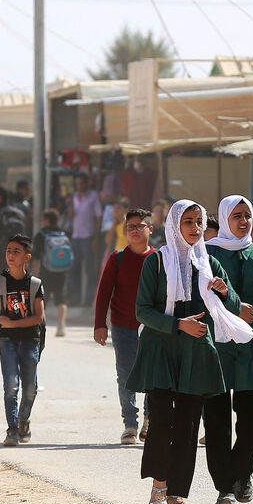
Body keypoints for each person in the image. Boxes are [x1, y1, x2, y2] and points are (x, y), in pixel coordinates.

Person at [127, 201, 253, 504]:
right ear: (174, 225)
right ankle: (160, 484)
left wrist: (225, 292)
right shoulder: (157, 262)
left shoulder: (207, 262)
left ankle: (178, 493)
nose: (195, 229)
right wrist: (177, 324)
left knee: (188, 424)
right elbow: (142, 310)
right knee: (162, 422)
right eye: (188, 222)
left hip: (196, 351)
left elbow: (234, 302)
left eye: (199, 222)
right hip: (163, 348)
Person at [203, 195, 253, 504]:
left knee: (249, 414)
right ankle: (224, 485)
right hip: (217, 345)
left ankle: (243, 474)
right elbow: (204, 297)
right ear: (224, 218)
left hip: (251, 347)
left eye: (247, 215)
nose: (243, 221)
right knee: (216, 416)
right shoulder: (207, 251)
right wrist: (235, 308)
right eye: (237, 216)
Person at [93, 207, 156, 444]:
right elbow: (104, 293)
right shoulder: (117, 258)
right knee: (126, 374)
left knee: (152, 375)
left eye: (141, 225)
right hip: (122, 326)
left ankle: (150, 419)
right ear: (125, 230)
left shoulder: (159, 258)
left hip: (152, 327)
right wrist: (100, 324)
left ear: (151, 228)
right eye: (131, 227)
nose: (135, 230)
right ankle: (130, 424)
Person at [0, 234, 46, 447]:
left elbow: (38, 317)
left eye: (16, 251)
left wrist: (12, 324)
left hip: (30, 341)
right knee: (11, 385)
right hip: (7, 340)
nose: (10, 255)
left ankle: (23, 420)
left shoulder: (35, 284)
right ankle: (12, 430)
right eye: (8, 250)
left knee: (30, 389)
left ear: (27, 257)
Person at [33, 209, 70, 337]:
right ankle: (61, 326)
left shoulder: (41, 235)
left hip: (46, 271)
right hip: (62, 271)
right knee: (61, 299)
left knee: (42, 299)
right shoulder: (64, 233)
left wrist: (35, 275)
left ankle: (39, 327)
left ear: (47, 220)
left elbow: (36, 257)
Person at [69, 173, 102, 306]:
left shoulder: (93, 196)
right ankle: (75, 298)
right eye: (77, 183)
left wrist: (96, 238)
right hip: (75, 236)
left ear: (87, 183)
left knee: (89, 270)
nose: (79, 186)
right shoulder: (74, 197)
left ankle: (88, 299)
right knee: (73, 269)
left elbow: (98, 217)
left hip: (88, 237)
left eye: (82, 183)